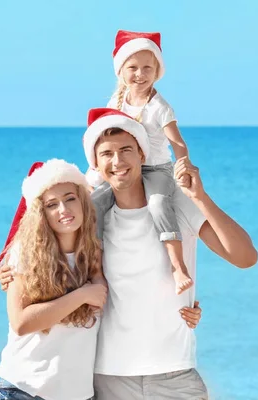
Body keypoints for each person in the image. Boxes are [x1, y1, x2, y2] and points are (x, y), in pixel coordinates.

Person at [80, 107, 258, 399]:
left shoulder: (177, 203)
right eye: (107, 154)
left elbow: (245, 257)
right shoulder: (93, 218)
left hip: (175, 375)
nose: (118, 161)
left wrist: (200, 197)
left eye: (126, 150)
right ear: (96, 166)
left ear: (142, 154)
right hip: (108, 376)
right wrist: (10, 270)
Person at [0, 159, 107, 400]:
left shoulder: (94, 253)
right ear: (41, 213)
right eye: (52, 204)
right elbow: (21, 323)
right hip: (23, 390)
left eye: (70, 198)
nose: (63, 209)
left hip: (78, 394)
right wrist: (82, 295)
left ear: (83, 201)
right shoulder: (25, 254)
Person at [86, 30, 194, 295]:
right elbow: (104, 137)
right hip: (124, 166)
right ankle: (95, 269)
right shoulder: (117, 101)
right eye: (133, 67)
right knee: (95, 203)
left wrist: (183, 166)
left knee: (158, 203)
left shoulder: (160, 107)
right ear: (121, 70)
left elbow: (178, 143)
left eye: (148, 68)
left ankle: (177, 266)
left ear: (157, 70)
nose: (140, 74)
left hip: (155, 168)